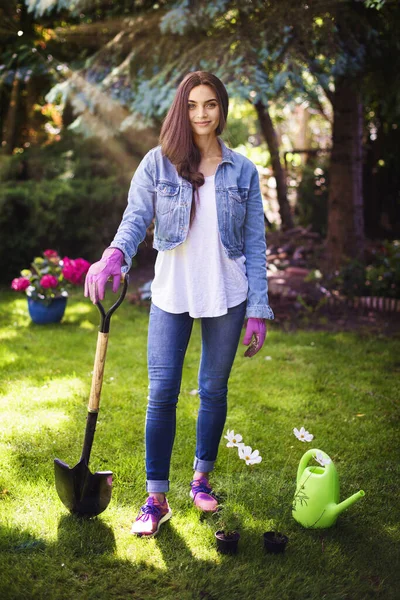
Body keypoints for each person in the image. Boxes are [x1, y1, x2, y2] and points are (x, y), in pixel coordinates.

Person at [84, 71, 274, 537]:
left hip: (228, 295)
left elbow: (255, 246)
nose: (202, 113)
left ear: (222, 109)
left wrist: (258, 308)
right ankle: (155, 499)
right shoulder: (158, 163)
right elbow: (135, 219)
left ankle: (201, 479)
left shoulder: (243, 170)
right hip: (172, 294)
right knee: (162, 393)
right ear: (180, 109)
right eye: (192, 105)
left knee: (213, 389)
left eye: (210, 104)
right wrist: (115, 255)